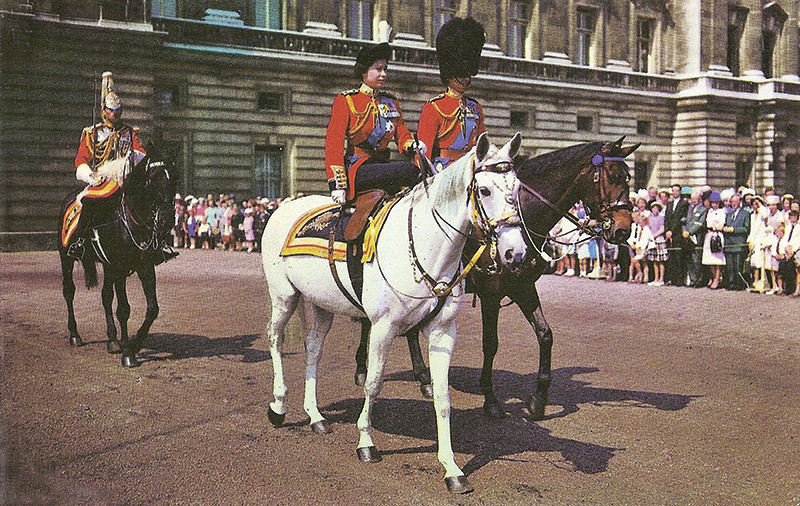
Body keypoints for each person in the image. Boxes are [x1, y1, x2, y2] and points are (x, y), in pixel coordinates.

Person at [325, 38, 420, 204]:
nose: (384, 74)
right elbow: (334, 143)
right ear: (364, 72)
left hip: (382, 165)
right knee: (409, 170)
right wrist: (337, 184)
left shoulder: (391, 102)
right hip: (357, 168)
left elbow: (401, 133)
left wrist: (411, 145)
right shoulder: (347, 100)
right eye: (378, 69)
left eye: (385, 69)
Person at [68, 71, 146, 259]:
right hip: (102, 180)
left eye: (118, 110)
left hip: (126, 179)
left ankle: (155, 242)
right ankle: (80, 242)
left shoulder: (129, 132)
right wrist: (90, 177)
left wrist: (126, 165)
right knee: (89, 200)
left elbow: (141, 153)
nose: (115, 114)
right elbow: (81, 161)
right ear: (104, 110)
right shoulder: (92, 133)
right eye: (111, 110)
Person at [417, 17, 486, 173]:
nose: (465, 78)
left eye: (467, 73)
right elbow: (424, 150)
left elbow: (482, 143)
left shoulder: (475, 107)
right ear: (449, 75)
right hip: (444, 170)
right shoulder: (434, 107)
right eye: (461, 73)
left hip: (471, 169)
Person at [723, 193, 751, 290]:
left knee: (738, 266)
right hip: (729, 243)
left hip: (738, 243)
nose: (733, 203)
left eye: (735, 201)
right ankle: (731, 283)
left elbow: (746, 229)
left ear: (740, 202)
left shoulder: (745, 214)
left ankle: (739, 284)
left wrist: (734, 230)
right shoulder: (728, 214)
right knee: (730, 266)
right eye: (732, 202)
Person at [664, 184, 690, 285]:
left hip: (678, 233)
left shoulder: (683, 203)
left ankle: (679, 280)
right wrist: (667, 230)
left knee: (679, 257)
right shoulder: (669, 204)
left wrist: (672, 231)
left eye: (677, 191)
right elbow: (667, 219)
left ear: (680, 192)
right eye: (673, 191)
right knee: (671, 257)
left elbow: (680, 219)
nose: (675, 193)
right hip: (669, 234)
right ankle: (671, 278)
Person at [684, 189, 709, 287]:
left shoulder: (703, 210)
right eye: (692, 198)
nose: (693, 200)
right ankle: (692, 279)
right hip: (687, 237)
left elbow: (700, 223)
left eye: (695, 198)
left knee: (697, 259)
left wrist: (690, 232)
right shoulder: (690, 209)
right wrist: (684, 231)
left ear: (699, 199)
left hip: (697, 237)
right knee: (689, 259)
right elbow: (685, 221)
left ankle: (699, 279)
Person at [703, 192, 726, 289]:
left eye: (716, 203)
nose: (714, 205)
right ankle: (714, 276)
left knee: (717, 258)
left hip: (717, 235)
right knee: (709, 259)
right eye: (713, 203)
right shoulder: (709, 212)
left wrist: (717, 227)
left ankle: (717, 278)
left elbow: (721, 223)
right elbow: (707, 223)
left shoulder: (721, 212)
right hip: (709, 235)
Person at [646, 201, 667, 286]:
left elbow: (662, 229)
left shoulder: (661, 217)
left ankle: (661, 279)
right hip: (652, 240)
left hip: (659, 239)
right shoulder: (649, 217)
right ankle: (656, 278)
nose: (655, 210)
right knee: (654, 261)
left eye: (657, 208)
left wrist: (655, 235)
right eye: (654, 208)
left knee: (660, 260)